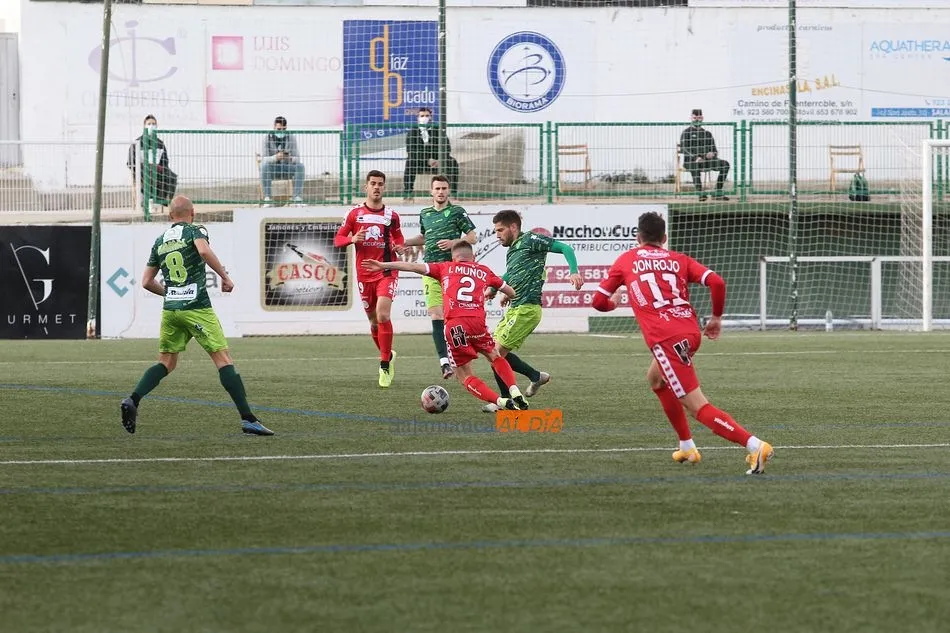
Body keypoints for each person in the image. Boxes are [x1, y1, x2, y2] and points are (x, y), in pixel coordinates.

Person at [592, 211, 773, 474]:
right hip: (690, 332)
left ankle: (755, 445)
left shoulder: (627, 260)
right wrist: (716, 319)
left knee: (696, 406)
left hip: (667, 340)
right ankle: (687, 446)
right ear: (664, 238)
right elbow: (717, 282)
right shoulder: (678, 259)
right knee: (655, 379)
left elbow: (597, 302)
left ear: (637, 237)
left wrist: (615, 302)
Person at [119, 196, 273, 436]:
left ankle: (133, 399)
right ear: (193, 212)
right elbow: (203, 250)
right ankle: (248, 419)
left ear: (170, 216)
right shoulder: (195, 230)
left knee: (166, 362)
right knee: (223, 360)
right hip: (197, 307)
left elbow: (147, 282)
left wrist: (171, 293)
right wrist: (224, 276)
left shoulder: (159, 242)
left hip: (171, 310)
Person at [362, 242, 529, 411]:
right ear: (473, 257)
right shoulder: (483, 270)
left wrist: (383, 265)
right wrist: (499, 293)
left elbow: (412, 266)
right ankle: (514, 390)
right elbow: (511, 292)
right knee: (495, 356)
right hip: (477, 323)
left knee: (463, 374)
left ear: (453, 257)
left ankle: (500, 401)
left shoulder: (445, 267)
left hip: (455, 326)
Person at [481, 209, 583, 413]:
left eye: (500, 230)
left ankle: (505, 401)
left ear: (513, 227)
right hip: (515, 307)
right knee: (493, 352)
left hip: (528, 309)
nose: (498, 234)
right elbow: (512, 272)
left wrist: (574, 271)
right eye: (495, 231)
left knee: (497, 354)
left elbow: (565, 248)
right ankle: (536, 377)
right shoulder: (513, 249)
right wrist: (497, 289)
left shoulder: (531, 239)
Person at [398, 175, 477, 380]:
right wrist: (405, 242)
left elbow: (472, 237)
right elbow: (424, 237)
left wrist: (454, 242)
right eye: (437, 189)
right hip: (431, 270)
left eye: (444, 188)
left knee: (454, 317)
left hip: (452, 270)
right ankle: (444, 362)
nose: (440, 192)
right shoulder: (425, 213)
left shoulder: (457, 211)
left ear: (448, 191)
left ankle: (460, 355)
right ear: (431, 192)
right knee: (436, 315)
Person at [334, 170, 405, 388]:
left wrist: (399, 246)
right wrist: (352, 238)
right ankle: (387, 354)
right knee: (374, 322)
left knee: (383, 315)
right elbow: (338, 239)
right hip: (364, 274)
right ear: (366, 187)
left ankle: (384, 364)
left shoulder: (391, 215)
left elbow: (399, 236)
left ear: (384, 188)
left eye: (380, 184)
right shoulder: (354, 214)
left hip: (386, 270)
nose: (376, 187)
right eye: (373, 183)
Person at [403, 108, 459, 200]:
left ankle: (453, 193)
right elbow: (411, 151)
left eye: (427, 116)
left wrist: (439, 160)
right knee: (410, 162)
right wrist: (427, 160)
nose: (424, 118)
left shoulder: (438, 130)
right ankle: (408, 193)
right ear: (417, 118)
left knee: (453, 163)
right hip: (421, 162)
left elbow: (447, 147)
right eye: (422, 116)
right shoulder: (412, 132)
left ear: (431, 117)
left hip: (438, 161)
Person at [679, 108, 730, 201]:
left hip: (707, 161)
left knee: (725, 164)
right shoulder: (686, 132)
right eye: (695, 118)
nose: (697, 120)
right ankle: (701, 193)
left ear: (702, 118)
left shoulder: (707, 133)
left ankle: (717, 192)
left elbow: (714, 149)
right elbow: (683, 149)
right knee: (694, 166)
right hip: (691, 161)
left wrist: (713, 154)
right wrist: (695, 157)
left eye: (699, 117)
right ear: (691, 118)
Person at [127, 114, 177, 205]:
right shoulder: (137, 143)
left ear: (157, 126)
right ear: (144, 126)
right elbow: (131, 163)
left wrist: (160, 167)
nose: (151, 126)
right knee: (149, 174)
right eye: (149, 124)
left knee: (172, 176)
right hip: (143, 170)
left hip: (157, 170)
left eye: (153, 124)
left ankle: (162, 201)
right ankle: (147, 200)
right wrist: (142, 166)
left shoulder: (160, 143)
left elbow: (165, 161)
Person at [260, 115, 305, 206]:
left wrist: (289, 158)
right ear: (274, 127)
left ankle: (297, 197)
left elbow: (297, 158)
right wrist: (276, 157)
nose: (281, 132)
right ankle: (267, 198)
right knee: (264, 166)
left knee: (300, 166)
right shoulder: (267, 138)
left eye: (283, 129)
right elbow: (264, 159)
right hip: (273, 169)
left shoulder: (291, 137)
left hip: (287, 167)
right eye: (279, 129)